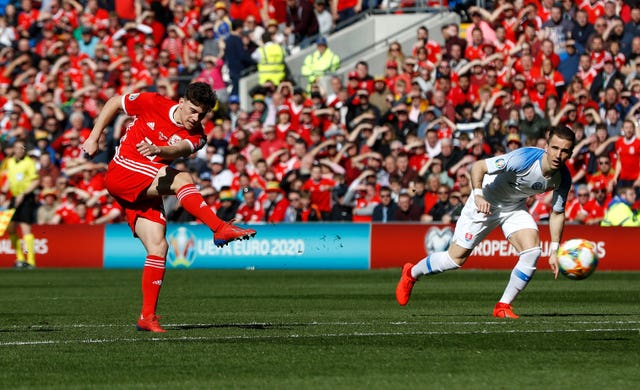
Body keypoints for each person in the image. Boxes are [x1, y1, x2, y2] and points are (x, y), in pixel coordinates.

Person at [82, 82, 256, 333]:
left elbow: (179, 148)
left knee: (158, 247)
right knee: (184, 179)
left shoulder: (198, 135)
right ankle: (219, 227)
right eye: (193, 110)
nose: (196, 118)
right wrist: (93, 137)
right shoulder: (153, 102)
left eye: (202, 114)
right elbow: (113, 102)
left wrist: (159, 149)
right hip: (123, 170)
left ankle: (147, 316)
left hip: (148, 182)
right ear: (182, 102)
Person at [395, 126, 576, 319]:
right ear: (546, 146)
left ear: (570, 154)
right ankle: (411, 273)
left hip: (513, 207)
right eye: (555, 148)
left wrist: (555, 251)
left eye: (564, 151)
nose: (558, 154)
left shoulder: (563, 178)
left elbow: (557, 213)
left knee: (533, 252)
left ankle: (503, 306)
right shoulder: (524, 158)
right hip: (484, 201)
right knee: (455, 259)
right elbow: (478, 167)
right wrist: (478, 196)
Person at [0, 140, 40, 269]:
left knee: (25, 227)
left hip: (26, 197)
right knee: (11, 227)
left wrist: (23, 193)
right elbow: (10, 181)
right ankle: (20, 258)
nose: (19, 150)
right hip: (14, 197)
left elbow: (35, 181)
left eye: (22, 148)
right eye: (17, 148)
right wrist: (3, 193)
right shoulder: (10, 162)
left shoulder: (29, 163)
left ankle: (31, 261)